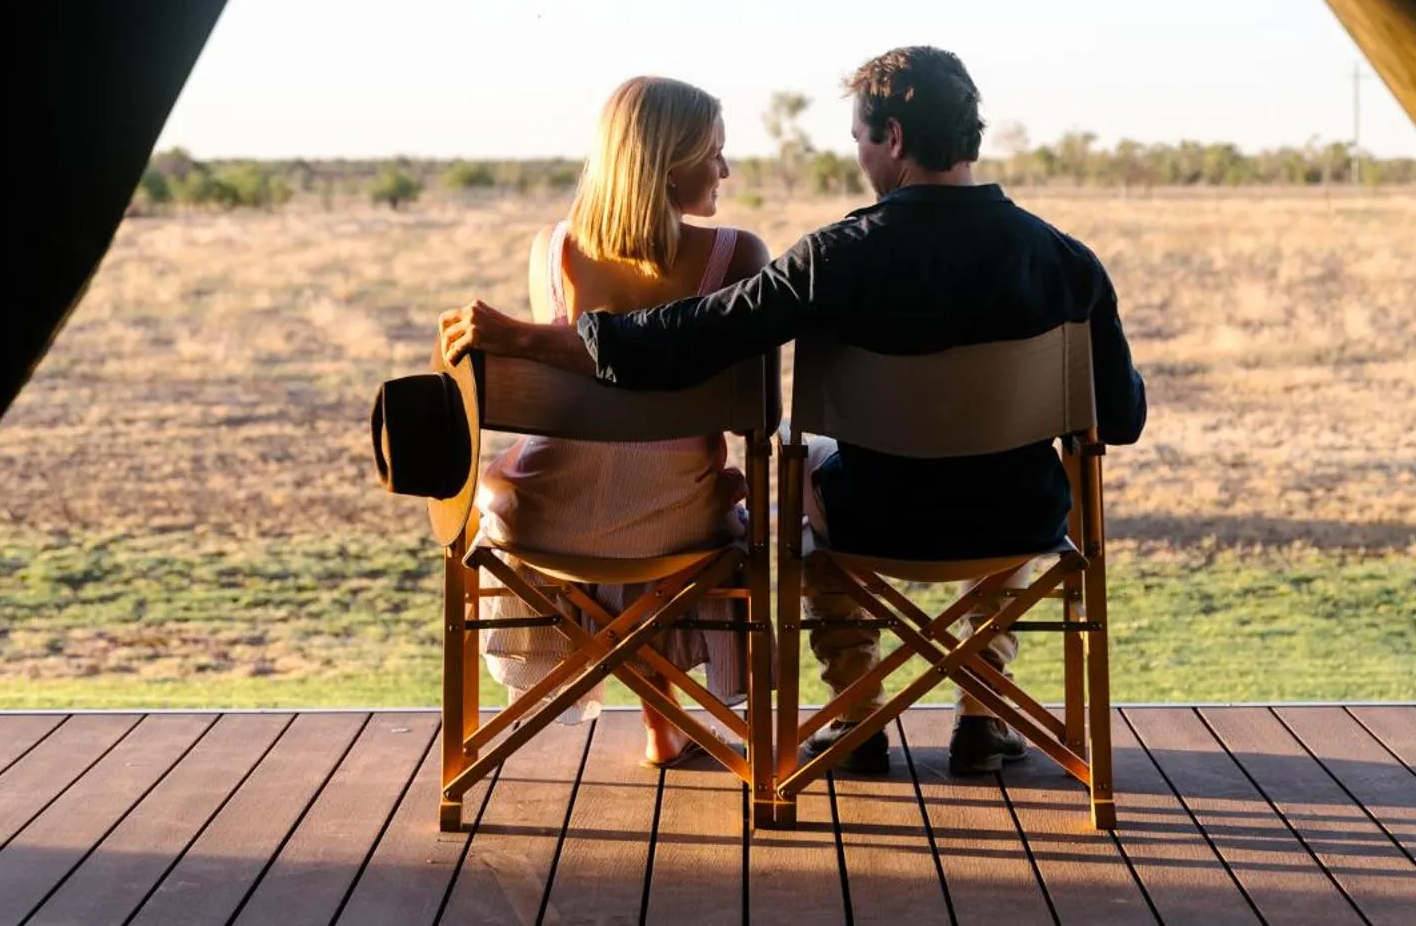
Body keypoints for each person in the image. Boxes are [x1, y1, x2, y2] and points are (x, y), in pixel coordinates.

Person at [441, 47, 1147, 777]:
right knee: (1013, 481)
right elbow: (1120, 419)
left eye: (860, 139)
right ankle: (983, 708)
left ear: (894, 139)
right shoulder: (1070, 263)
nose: (863, 156)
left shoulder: (835, 258)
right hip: (1015, 518)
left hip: (872, 519)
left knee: (805, 472)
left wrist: (530, 336)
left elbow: (690, 335)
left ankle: (855, 713)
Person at [469, 75, 770, 768]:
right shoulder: (738, 257)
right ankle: (663, 722)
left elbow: (587, 390)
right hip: (680, 522)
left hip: (543, 520)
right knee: (677, 490)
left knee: (576, 477)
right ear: (669, 168)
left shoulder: (550, 250)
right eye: (715, 153)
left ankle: (659, 722)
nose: (725, 169)